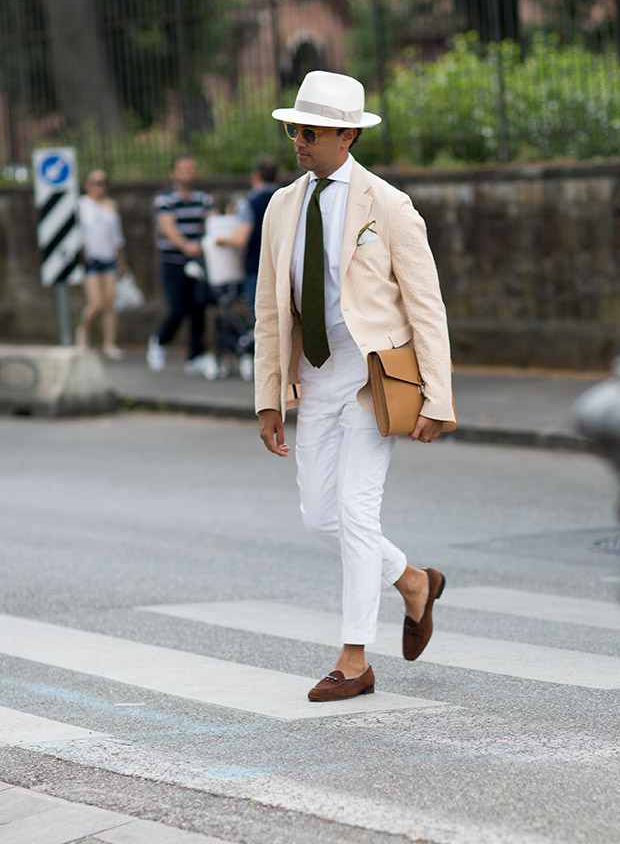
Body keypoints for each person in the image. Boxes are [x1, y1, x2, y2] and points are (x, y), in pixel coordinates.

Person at [254, 71, 456, 702]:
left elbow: (427, 307)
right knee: (320, 517)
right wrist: (268, 398)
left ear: (346, 136)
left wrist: (438, 397)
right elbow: (269, 311)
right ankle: (414, 582)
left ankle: (354, 658)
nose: (298, 140)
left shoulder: (388, 206)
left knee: (357, 510)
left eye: (310, 131)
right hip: (313, 375)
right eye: (294, 129)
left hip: (373, 376)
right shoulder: (281, 206)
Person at [146, 154, 216, 377]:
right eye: (183, 169)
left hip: (197, 262)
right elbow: (167, 228)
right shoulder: (165, 200)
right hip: (173, 262)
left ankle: (196, 356)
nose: (188, 173)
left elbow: (213, 222)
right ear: (173, 173)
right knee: (178, 308)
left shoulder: (203, 199)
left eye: (191, 168)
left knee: (198, 308)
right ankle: (159, 341)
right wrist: (186, 246)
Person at [215, 157, 279, 317]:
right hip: (284, 268)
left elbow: (240, 239)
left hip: (258, 270)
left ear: (255, 176)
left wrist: (221, 240)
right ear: (277, 177)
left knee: (263, 321)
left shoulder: (249, 203)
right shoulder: (287, 198)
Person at [76, 169, 127, 360]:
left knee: (110, 303)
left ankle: (109, 343)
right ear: (87, 185)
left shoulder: (111, 206)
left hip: (109, 258)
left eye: (103, 183)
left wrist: (121, 261)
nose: (100, 187)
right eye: (96, 183)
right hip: (91, 260)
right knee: (96, 303)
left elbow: (117, 236)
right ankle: (82, 331)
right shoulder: (81, 205)